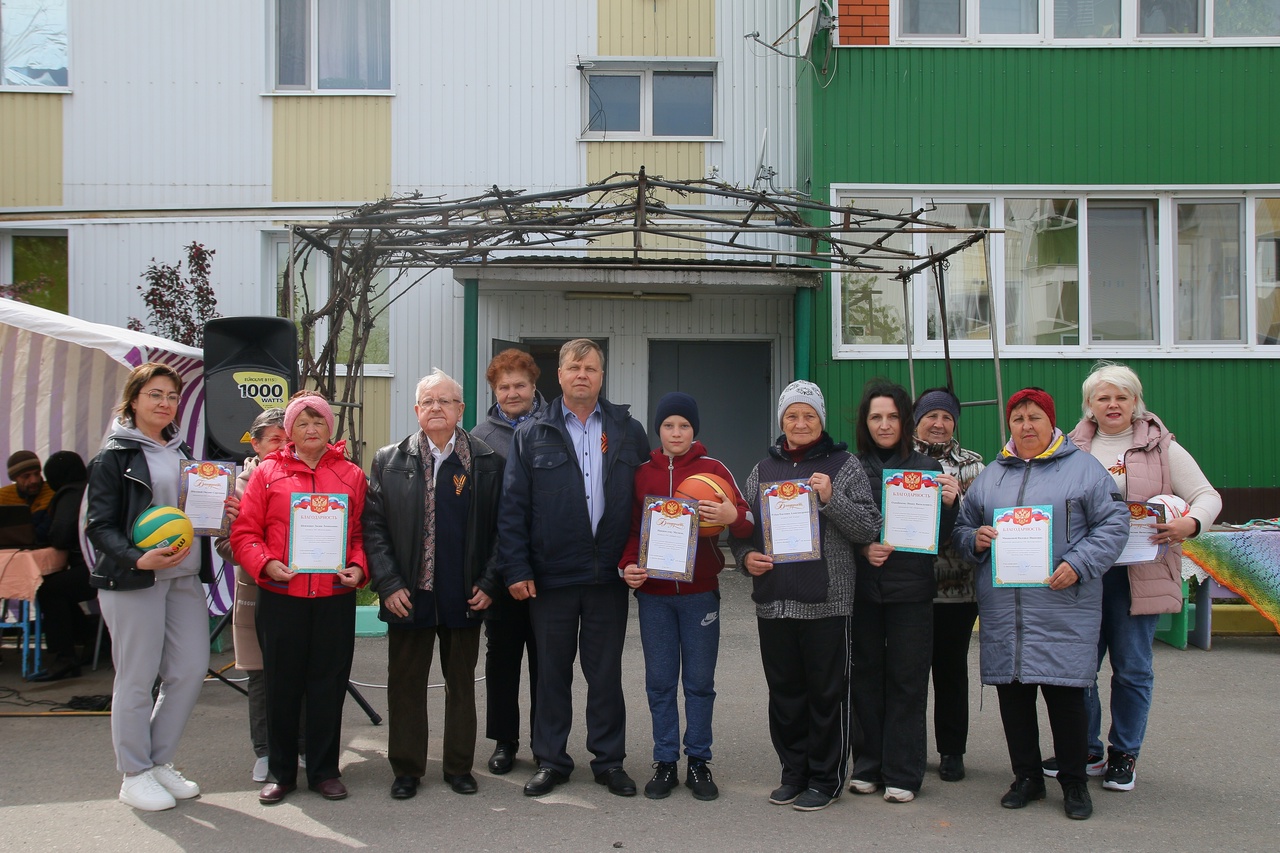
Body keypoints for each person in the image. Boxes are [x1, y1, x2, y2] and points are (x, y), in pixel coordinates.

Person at [952, 387, 1129, 821]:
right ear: (1009, 425)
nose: (1026, 426)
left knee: (1066, 697)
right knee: (1014, 697)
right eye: (1018, 419)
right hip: (1005, 611)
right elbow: (963, 525)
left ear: (1052, 423)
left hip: (1062, 602)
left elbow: (1114, 523)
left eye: (1034, 418)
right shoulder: (991, 476)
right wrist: (973, 540)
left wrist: (1079, 563)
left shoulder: (1084, 471)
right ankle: (1027, 777)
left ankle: (1073, 784)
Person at [494, 338, 649, 798]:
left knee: (604, 675)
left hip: (608, 578)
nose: (583, 374)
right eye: (574, 367)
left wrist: (640, 558)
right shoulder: (532, 432)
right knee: (552, 675)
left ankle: (609, 761)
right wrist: (517, 569)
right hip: (552, 577)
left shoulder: (628, 429)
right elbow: (513, 509)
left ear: (602, 377)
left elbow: (646, 502)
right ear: (559, 375)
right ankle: (552, 760)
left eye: (592, 368)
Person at [1056, 362, 1221, 791]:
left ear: (1135, 402)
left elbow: (1207, 496)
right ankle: (1086, 749)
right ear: (1089, 404)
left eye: (1122, 397)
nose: (1112, 404)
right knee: (1078, 669)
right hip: (1086, 574)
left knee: (1131, 668)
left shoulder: (1162, 447)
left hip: (1140, 575)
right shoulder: (1071, 448)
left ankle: (1124, 754)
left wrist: (1191, 524)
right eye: (1103, 397)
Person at [728, 380, 882, 812]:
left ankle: (825, 777)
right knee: (785, 694)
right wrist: (746, 558)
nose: (800, 423)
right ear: (781, 421)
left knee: (826, 694)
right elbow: (742, 529)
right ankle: (792, 772)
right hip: (775, 600)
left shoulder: (844, 465)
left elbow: (868, 528)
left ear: (821, 421)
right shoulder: (762, 470)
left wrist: (831, 499)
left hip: (827, 600)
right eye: (792, 415)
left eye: (809, 415)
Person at [365, 369, 504, 800]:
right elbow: (373, 528)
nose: (436, 408)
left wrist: (490, 582)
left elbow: (504, 530)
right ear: (417, 410)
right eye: (428, 402)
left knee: (461, 684)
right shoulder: (389, 460)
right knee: (405, 684)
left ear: (461, 410)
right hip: (409, 594)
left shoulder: (485, 463)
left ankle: (459, 766)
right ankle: (407, 768)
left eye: (445, 401)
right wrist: (388, 583)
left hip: (464, 593)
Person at [85, 363, 217, 812]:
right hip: (134, 579)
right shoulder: (114, 456)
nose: (165, 403)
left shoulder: (184, 453)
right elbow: (98, 525)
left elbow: (194, 515)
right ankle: (134, 773)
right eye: (155, 394)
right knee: (137, 679)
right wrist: (136, 557)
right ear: (134, 399)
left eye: (171, 396)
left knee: (188, 670)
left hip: (183, 578)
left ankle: (159, 762)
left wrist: (222, 515)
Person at [231, 391, 368, 806]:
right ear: (289, 431)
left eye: (319, 422)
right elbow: (244, 534)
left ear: (330, 428)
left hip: (333, 597)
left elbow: (362, 535)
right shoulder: (266, 473)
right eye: (302, 423)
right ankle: (281, 771)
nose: (312, 429)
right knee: (280, 685)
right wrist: (266, 564)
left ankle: (325, 770)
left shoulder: (351, 475)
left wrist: (360, 567)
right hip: (281, 596)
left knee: (328, 684)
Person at [620, 392, 753, 802]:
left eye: (684, 425)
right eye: (668, 426)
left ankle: (698, 760)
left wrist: (733, 518)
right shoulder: (642, 474)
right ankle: (664, 761)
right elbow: (629, 533)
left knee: (699, 683)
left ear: (694, 430)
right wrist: (627, 568)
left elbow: (747, 520)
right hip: (655, 596)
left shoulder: (714, 471)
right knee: (660, 682)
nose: (676, 433)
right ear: (657, 430)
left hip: (699, 594)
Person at [848, 381, 959, 804]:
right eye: (876, 416)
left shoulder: (928, 471)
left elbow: (942, 540)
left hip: (912, 591)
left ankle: (904, 772)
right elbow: (838, 527)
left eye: (892, 416)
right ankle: (868, 765)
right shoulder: (850, 468)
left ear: (905, 421)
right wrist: (863, 547)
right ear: (865, 422)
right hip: (863, 591)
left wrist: (951, 506)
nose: (884, 424)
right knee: (866, 678)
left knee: (908, 681)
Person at [213, 408, 304, 784]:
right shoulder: (236, 486)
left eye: (289, 439)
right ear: (256, 444)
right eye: (275, 440)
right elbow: (224, 543)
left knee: (303, 672)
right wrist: (263, 559)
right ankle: (266, 752)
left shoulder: (310, 478)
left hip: (305, 592)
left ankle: (301, 748)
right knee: (262, 677)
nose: (285, 447)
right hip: (257, 593)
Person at [470, 348, 547, 776]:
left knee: (545, 659)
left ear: (534, 386)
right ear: (494, 391)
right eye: (504, 387)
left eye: (519, 384)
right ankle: (504, 741)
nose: (512, 393)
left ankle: (543, 740)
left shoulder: (554, 427)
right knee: (501, 658)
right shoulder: (480, 436)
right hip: (500, 568)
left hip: (546, 566)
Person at [913, 387, 985, 782]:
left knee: (951, 671)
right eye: (930, 417)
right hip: (909, 584)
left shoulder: (973, 465)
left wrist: (959, 499)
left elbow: (980, 519)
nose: (938, 424)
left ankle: (952, 750)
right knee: (910, 671)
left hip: (957, 588)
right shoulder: (903, 461)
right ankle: (910, 747)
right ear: (917, 420)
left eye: (946, 418)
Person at [31, 451, 96, 681]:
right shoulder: (89, 488)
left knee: (48, 590)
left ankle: (65, 658)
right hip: (102, 565)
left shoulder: (71, 494)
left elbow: (60, 536)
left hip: (92, 567)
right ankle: (90, 636)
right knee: (57, 588)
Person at [2, 449, 56, 543]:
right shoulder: (2, 496)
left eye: (37, 474)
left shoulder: (52, 492)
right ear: (14, 478)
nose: (34, 480)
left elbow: (44, 532)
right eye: (26, 476)